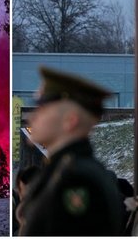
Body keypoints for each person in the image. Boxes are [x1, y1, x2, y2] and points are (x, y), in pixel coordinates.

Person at [19, 66, 125, 236]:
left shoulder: (75, 180)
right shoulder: (67, 171)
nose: (32, 117)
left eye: (42, 107)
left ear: (70, 120)